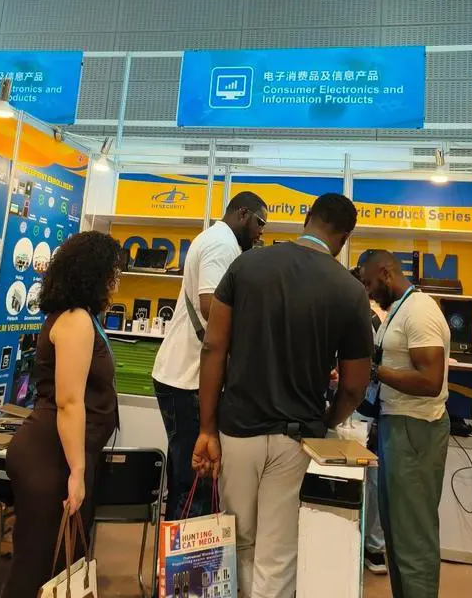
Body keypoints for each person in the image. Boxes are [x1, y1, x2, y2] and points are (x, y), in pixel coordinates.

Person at [193, 193, 373, 598]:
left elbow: (213, 347)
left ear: (306, 219)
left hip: (238, 429)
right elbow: (354, 386)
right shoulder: (350, 291)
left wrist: (206, 428)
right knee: (277, 553)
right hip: (296, 438)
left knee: (235, 537)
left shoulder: (246, 265)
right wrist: (326, 420)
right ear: (345, 237)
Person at [1, 231, 124, 598]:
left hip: (63, 455)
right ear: (94, 273)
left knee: (58, 569)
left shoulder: (79, 317)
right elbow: (69, 402)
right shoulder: (75, 320)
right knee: (36, 569)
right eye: (113, 272)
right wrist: (77, 471)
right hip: (52, 457)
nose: (116, 281)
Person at [152, 191, 268, 520]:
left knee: (188, 479)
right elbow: (210, 307)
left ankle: (178, 548)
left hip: (183, 375)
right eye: (260, 222)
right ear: (242, 214)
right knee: (196, 481)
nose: (261, 232)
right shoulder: (222, 244)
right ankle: (184, 552)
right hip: (187, 378)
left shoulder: (216, 239)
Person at [359, 250, 451, 598]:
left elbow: (430, 381)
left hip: (416, 430)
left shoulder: (420, 310)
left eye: (369, 282)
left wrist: (374, 371)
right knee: (396, 533)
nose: (369, 291)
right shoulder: (399, 309)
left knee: (413, 537)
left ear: (386, 272)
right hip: (396, 426)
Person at [350, 266, 388, 576]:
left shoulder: (374, 322)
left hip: (365, 411)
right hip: (345, 408)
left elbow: (375, 371)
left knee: (371, 480)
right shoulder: (349, 317)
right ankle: (351, 542)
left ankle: (373, 546)